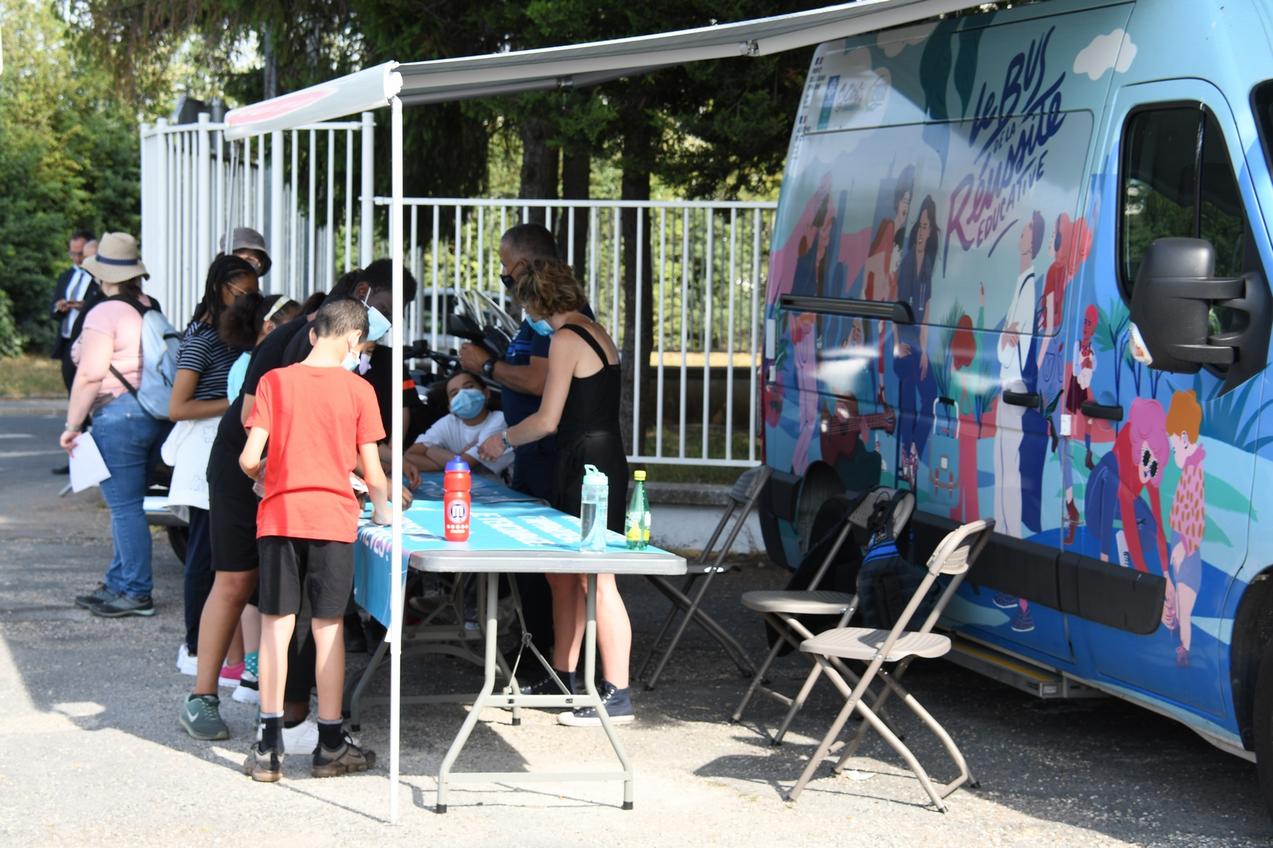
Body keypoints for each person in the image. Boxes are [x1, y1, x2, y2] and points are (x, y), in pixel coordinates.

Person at [478, 258, 634, 726]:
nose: (527, 315)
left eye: (527, 305)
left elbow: (547, 419)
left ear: (540, 300)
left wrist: (502, 439)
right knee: (562, 574)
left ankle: (618, 692)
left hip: (589, 464)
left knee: (596, 577)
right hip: (588, 458)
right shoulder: (594, 331)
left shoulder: (566, 339)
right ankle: (561, 673)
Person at [240, 298, 389, 781]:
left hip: (279, 517)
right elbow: (373, 472)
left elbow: (248, 459)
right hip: (331, 520)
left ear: (311, 334)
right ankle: (330, 743)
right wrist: (381, 509)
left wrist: (268, 473)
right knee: (328, 628)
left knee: (275, 628)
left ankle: (268, 746)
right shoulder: (359, 390)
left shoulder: (274, 382)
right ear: (354, 340)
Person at [459, 223, 575, 686]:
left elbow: (539, 383)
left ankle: (552, 655)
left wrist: (486, 366)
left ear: (525, 266)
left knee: (552, 567)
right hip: (532, 452)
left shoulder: (559, 323)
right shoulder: (537, 319)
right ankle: (535, 642)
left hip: (549, 454)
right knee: (530, 565)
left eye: (507, 269)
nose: (504, 277)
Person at [62, 233, 168, 618]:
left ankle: (136, 591)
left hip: (118, 416)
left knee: (124, 508)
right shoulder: (149, 306)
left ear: (101, 274)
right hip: (150, 413)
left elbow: (91, 374)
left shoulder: (104, 313)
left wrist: (73, 424)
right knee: (128, 506)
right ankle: (118, 582)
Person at [169, 256, 259, 683]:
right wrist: (238, 402)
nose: (249, 300)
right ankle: (194, 646)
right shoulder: (201, 339)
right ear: (222, 288)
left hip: (226, 448)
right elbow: (177, 407)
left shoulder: (237, 340)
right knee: (204, 556)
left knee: (223, 561)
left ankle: (227, 655)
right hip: (203, 452)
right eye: (244, 293)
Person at [893, 194, 939, 476]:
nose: (921, 232)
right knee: (908, 404)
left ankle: (912, 451)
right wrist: (897, 345)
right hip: (903, 345)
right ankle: (906, 458)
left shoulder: (928, 264)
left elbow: (927, 312)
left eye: (926, 226)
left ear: (931, 230)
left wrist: (924, 352)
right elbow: (896, 306)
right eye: (919, 226)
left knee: (931, 398)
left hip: (917, 346)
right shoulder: (908, 261)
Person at [404, 370, 513, 478]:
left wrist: (431, 451)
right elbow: (410, 455)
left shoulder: (500, 420)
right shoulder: (449, 422)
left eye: (469, 387)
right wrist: (455, 461)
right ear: (450, 407)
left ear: (486, 393)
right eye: (454, 394)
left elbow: (464, 465)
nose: (463, 395)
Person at [50, 231, 98, 474]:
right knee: (74, 398)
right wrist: (60, 307)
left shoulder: (98, 279)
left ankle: (88, 463)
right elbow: (52, 308)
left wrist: (82, 306)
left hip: (90, 345)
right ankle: (77, 460)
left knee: (88, 401)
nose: (76, 258)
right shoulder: (66, 275)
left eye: (81, 254)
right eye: (73, 253)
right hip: (69, 343)